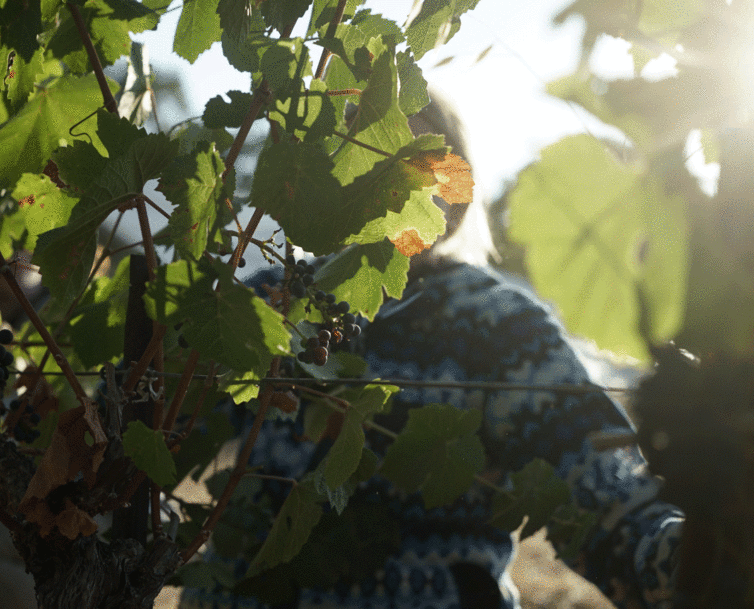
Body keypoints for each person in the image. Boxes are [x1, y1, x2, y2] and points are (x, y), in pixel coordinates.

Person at [178, 88, 684, 609]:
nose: (397, 184)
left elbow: (602, 496)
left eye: (422, 163)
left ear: (457, 192)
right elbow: (145, 444)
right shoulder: (267, 301)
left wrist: (697, 556)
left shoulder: (499, 325)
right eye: (371, 154)